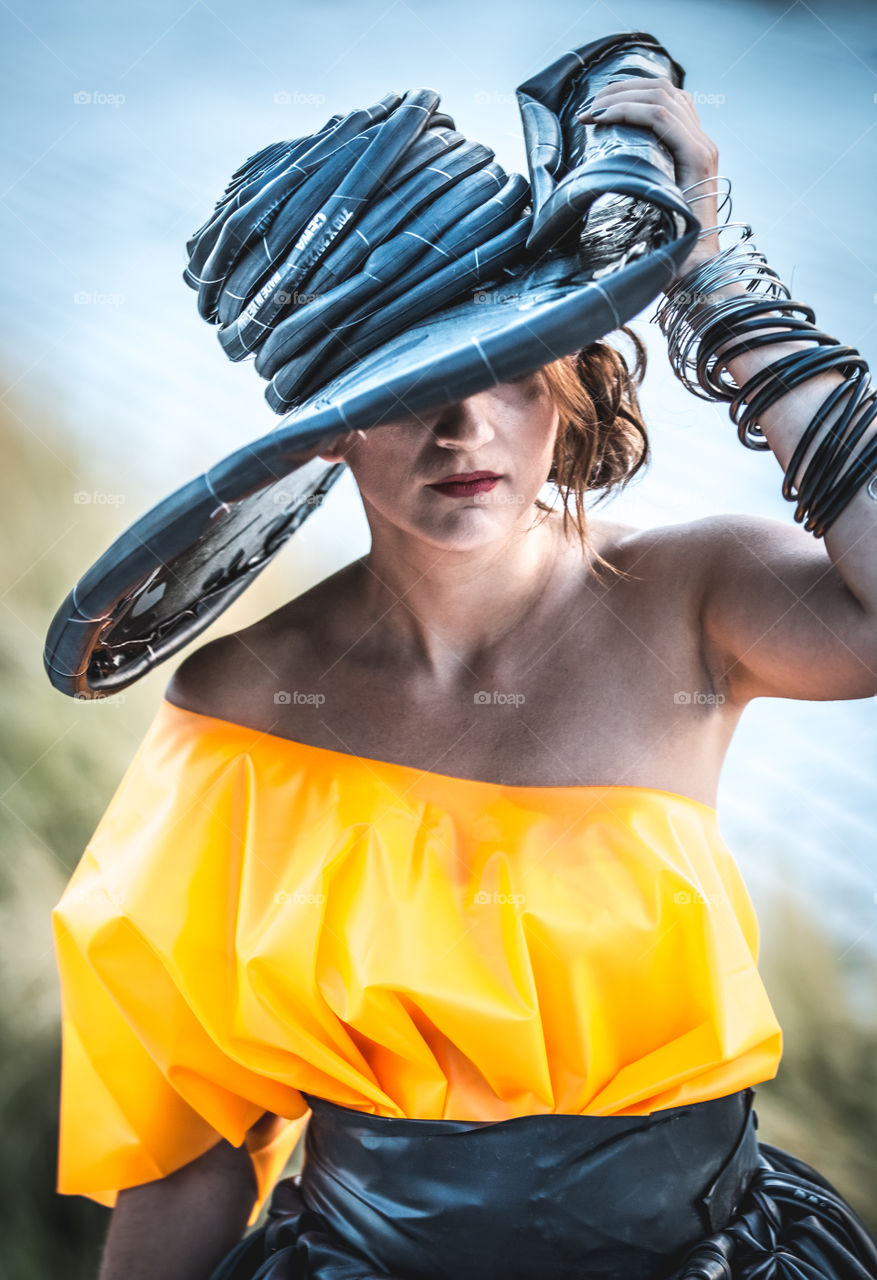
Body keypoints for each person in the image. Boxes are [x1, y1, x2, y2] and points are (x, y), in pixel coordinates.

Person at [53, 74, 877, 1280]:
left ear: (565, 361)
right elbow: (187, 1151)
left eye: (503, 359)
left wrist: (714, 277)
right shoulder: (238, 706)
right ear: (327, 426)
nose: (464, 428)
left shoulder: (699, 597)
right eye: (402, 384)